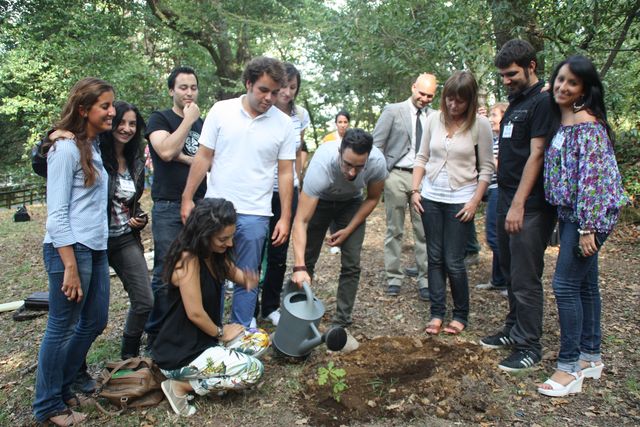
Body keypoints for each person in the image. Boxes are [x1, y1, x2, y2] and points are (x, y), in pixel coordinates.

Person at [181, 56, 296, 328]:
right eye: (263, 90)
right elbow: (204, 156)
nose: (269, 98)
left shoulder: (284, 124)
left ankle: (242, 329)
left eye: (274, 92)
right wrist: (187, 198)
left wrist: (285, 217)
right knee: (212, 271)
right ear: (248, 83)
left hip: (256, 211)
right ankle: (211, 329)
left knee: (247, 274)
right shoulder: (221, 111)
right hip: (216, 209)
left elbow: (285, 172)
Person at [537, 56, 627, 397]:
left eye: (572, 83)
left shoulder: (588, 126)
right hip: (573, 214)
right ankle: (591, 357)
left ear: (585, 90)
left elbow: (592, 179)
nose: (562, 86)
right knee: (586, 285)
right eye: (559, 79)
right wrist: (552, 92)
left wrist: (588, 227)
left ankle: (569, 368)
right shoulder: (566, 116)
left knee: (564, 285)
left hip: (587, 217)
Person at [33, 77, 114, 426]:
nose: (112, 112)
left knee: (95, 319)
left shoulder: (91, 146)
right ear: (84, 110)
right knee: (61, 327)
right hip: (70, 249)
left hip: (95, 246)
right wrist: (69, 265)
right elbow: (58, 213)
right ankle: (48, 405)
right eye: (105, 106)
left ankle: (62, 386)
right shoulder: (64, 149)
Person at [47, 101, 153, 360]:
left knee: (145, 300)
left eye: (132, 124)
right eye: (121, 122)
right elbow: (45, 164)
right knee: (84, 314)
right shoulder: (91, 150)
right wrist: (51, 135)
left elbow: (127, 200)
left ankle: (129, 354)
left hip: (123, 239)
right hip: (92, 240)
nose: (126, 129)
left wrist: (137, 216)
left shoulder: (135, 161)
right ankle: (77, 369)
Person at [479, 39, 556, 372]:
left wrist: (519, 204)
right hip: (506, 196)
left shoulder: (542, 103)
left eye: (512, 74)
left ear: (531, 66)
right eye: (503, 76)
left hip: (530, 204)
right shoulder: (515, 103)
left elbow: (537, 155)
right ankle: (513, 328)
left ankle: (529, 345)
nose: (506, 80)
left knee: (525, 276)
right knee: (509, 269)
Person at [153, 198, 268, 416]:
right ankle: (181, 385)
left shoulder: (215, 255)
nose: (230, 243)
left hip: (205, 342)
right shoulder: (188, 260)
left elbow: (240, 276)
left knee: (260, 339)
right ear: (204, 235)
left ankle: (212, 370)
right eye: (223, 238)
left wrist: (251, 279)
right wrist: (222, 332)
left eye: (232, 236)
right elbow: (195, 313)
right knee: (253, 370)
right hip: (180, 353)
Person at [411, 71, 494, 336]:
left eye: (459, 101)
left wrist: (475, 201)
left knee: (453, 260)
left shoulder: (480, 126)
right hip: (431, 197)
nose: (452, 105)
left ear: (469, 101)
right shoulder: (434, 119)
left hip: (461, 199)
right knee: (434, 257)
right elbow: (422, 157)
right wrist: (415, 190)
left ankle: (460, 315)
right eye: (449, 99)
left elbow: (487, 168)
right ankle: (436, 313)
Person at [291, 128, 388, 353]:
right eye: (347, 164)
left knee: (352, 263)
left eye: (359, 166)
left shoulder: (377, 163)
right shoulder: (321, 164)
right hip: (321, 202)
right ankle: (298, 319)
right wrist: (298, 265)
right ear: (339, 151)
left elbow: (373, 198)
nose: (353, 172)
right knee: (306, 260)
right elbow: (301, 221)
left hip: (352, 204)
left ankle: (341, 324)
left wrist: (347, 230)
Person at [145, 66, 207, 348]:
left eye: (193, 87)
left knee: (200, 267)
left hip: (202, 205)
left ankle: (190, 327)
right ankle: (157, 335)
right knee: (166, 271)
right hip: (169, 205)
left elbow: (212, 160)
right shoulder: (160, 118)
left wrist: (185, 157)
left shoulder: (204, 124)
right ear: (171, 90)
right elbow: (166, 150)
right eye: (183, 87)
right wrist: (188, 120)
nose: (189, 93)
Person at [373, 73, 437, 300]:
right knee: (395, 229)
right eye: (421, 93)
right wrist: (382, 176)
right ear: (413, 88)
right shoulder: (393, 110)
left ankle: (425, 279)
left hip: (424, 179)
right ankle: (393, 277)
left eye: (430, 95)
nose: (424, 99)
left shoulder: (435, 116)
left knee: (424, 230)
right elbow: (377, 145)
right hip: (396, 175)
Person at [259, 62, 310, 326]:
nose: (288, 93)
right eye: (285, 87)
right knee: (256, 248)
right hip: (261, 189)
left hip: (287, 190)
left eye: (293, 87)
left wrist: (298, 179)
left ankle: (269, 306)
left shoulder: (299, 115)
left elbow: (299, 149)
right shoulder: (263, 111)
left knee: (279, 250)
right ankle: (247, 303)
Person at [476, 102, 509, 294]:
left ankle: (508, 280)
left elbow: (504, 169)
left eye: (494, 115)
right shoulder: (495, 139)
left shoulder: (506, 139)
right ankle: (497, 279)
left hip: (500, 191)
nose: (491, 118)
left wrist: (490, 159)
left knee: (496, 237)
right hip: (493, 190)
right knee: (493, 236)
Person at [321, 110, 351, 255]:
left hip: (349, 179)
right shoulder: (328, 138)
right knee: (332, 210)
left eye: (345, 122)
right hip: (332, 178)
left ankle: (346, 239)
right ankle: (334, 241)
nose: (343, 125)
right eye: (340, 122)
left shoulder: (352, 138)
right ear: (336, 123)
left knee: (346, 210)